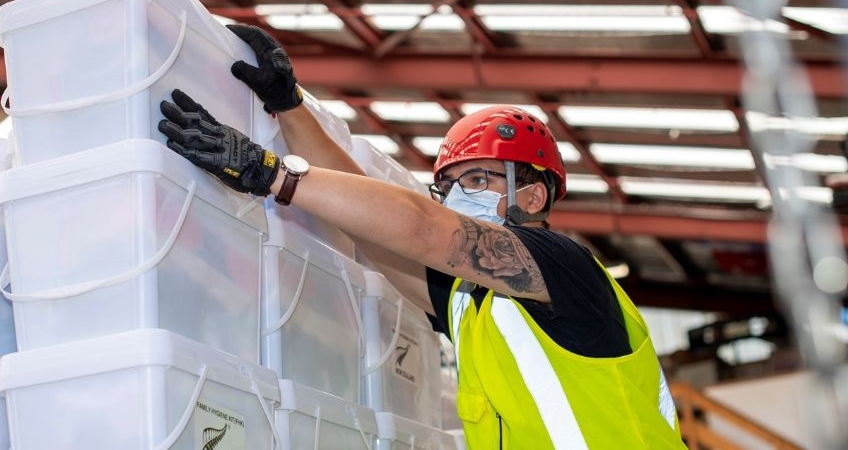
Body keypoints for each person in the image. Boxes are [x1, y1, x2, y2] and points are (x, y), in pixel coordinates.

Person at [158, 24, 688, 449]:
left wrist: (273, 173)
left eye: (480, 179)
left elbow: (421, 227)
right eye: (451, 185)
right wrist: (288, 105)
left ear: (532, 197)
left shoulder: (561, 267)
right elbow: (375, 229)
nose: (461, 195)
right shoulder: (472, 303)